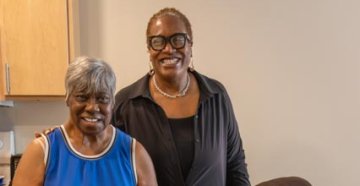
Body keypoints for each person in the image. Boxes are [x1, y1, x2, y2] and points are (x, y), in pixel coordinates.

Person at [112, 7, 250, 186]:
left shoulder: (217, 96)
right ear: (149, 49)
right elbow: (113, 173)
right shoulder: (126, 105)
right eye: (158, 41)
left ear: (190, 46)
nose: (169, 49)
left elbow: (235, 165)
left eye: (178, 40)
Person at [12, 57, 157, 186]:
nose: (92, 107)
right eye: (82, 97)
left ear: (112, 102)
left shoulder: (134, 152)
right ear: (67, 98)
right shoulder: (42, 151)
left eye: (102, 99)